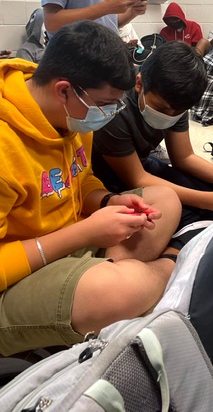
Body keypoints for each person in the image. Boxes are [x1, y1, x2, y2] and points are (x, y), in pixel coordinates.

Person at [0, 21, 182, 356]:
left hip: (67, 240)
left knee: (164, 198)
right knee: (118, 290)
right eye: (104, 103)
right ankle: (170, 265)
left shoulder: (69, 114)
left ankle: (110, 290)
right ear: (64, 90)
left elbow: (80, 179)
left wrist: (109, 200)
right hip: (12, 280)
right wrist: (86, 233)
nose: (109, 113)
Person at [92, 41, 213, 219]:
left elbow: (184, 157)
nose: (169, 116)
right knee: (188, 210)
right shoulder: (114, 109)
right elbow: (136, 179)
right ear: (139, 84)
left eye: (178, 112)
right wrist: (207, 201)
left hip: (142, 163)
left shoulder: (176, 101)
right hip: (109, 179)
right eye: (161, 109)